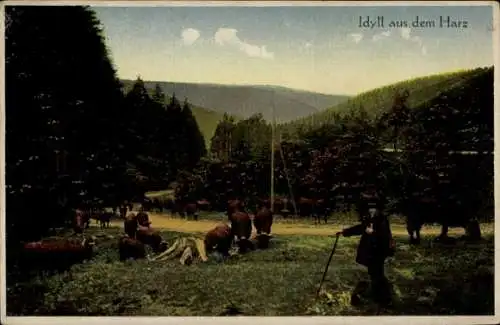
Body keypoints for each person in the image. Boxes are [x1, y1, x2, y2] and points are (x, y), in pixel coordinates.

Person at [336, 186, 394, 309]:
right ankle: (379, 297)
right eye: (370, 208)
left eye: (373, 208)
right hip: (371, 250)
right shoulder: (370, 218)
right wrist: (345, 232)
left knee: (377, 274)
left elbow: (384, 236)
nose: (371, 210)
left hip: (378, 251)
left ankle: (384, 298)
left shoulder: (381, 220)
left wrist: (372, 232)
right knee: (374, 273)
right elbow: (362, 228)